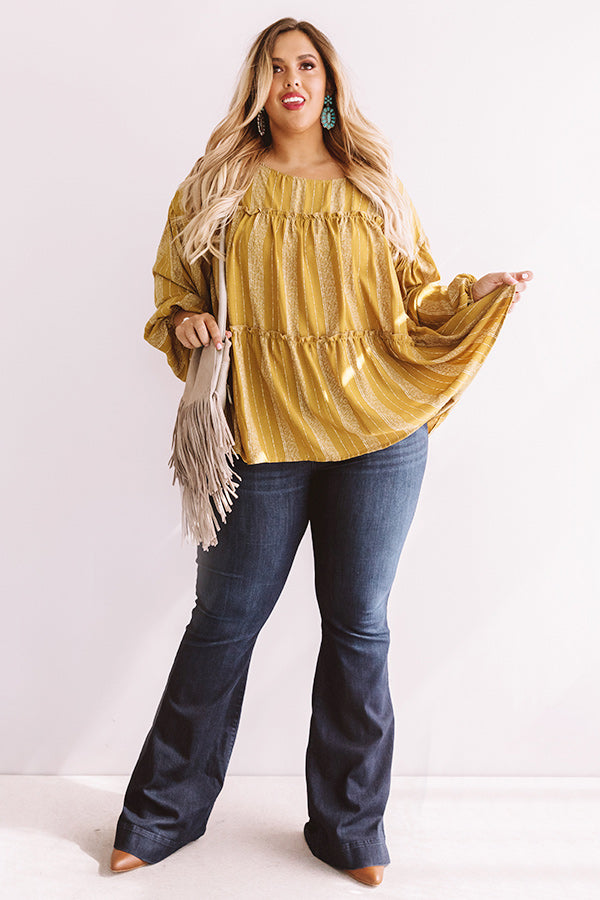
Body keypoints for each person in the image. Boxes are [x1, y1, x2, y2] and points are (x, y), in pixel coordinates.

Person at [109, 17, 532, 888]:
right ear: (256, 86)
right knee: (223, 622)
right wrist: (188, 324)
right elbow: (172, 294)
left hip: (376, 434)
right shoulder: (218, 183)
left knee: (359, 625)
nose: (291, 80)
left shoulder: (375, 184)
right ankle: (160, 816)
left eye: (306, 65)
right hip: (261, 434)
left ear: (330, 84)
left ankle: (349, 828)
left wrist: (476, 292)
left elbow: (418, 296)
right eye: (274, 67)